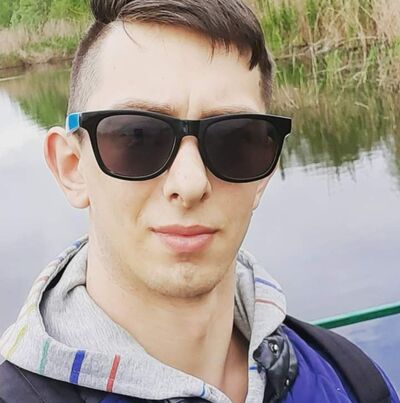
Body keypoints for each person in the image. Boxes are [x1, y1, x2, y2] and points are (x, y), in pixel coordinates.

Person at [0, 1, 398, 402]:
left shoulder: (353, 380)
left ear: (265, 173)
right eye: (138, 137)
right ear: (71, 167)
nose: (190, 183)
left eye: (235, 139)